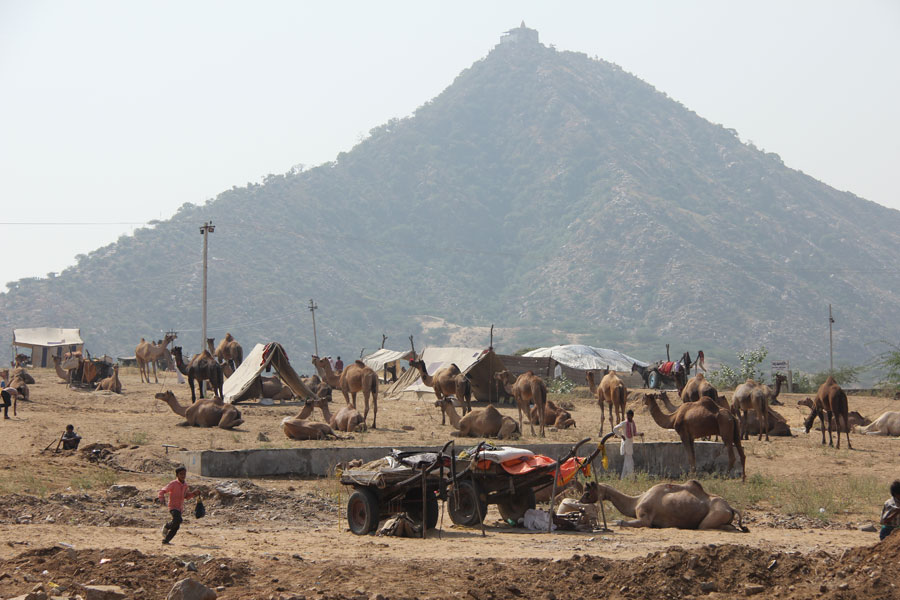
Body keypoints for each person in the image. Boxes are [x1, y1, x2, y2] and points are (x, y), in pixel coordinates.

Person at [158, 465, 200, 545]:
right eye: (181, 474)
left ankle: (166, 541)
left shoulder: (185, 485)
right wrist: (161, 498)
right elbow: (162, 490)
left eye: (184, 474)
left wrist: (194, 493)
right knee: (178, 520)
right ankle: (167, 526)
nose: (183, 476)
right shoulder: (173, 484)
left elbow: (186, 496)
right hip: (173, 507)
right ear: (177, 475)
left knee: (176, 526)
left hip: (180, 508)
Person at [613, 409, 643, 479]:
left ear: (632, 416)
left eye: (630, 416)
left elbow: (633, 433)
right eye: (628, 416)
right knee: (630, 462)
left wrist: (640, 434)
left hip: (630, 444)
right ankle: (632, 478)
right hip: (625, 444)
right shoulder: (624, 423)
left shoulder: (632, 423)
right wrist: (621, 435)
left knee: (627, 462)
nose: (629, 417)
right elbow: (615, 429)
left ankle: (623, 478)